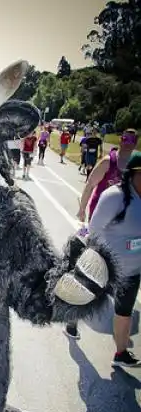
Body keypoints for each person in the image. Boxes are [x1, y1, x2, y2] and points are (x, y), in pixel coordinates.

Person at [64, 129, 138, 340]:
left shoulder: (135, 166)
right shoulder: (109, 161)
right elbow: (90, 185)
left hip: (123, 227)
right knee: (91, 270)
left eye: (132, 140)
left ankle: (118, 320)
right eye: (125, 138)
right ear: (121, 140)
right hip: (101, 222)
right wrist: (82, 209)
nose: (128, 143)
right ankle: (72, 319)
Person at [88, 152, 141, 367]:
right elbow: (94, 229)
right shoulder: (114, 196)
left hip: (133, 271)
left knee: (124, 313)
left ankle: (120, 354)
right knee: (87, 301)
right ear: (134, 174)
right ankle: (72, 319)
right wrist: (102, 260)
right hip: (106, 267)